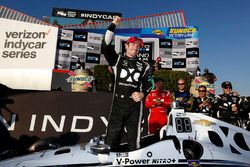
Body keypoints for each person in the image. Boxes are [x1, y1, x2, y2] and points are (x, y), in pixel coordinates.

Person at [101, 16, 152, 151]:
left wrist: (143, 93)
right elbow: (105, 45)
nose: (135, 47)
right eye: (133, 44)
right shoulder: (117, 60)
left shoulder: (144, 65)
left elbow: (150, 83)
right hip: (118, 103)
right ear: (126, 45)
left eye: (138, 46)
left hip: (134, 105)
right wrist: (113, 24)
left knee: (134, 140)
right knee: (111, 138)